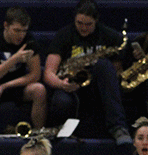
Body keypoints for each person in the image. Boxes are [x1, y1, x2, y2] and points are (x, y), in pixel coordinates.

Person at [43, 0, 130, 144]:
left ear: (96, 20)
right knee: (61, 101)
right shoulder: (64, 35)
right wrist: (61, 84)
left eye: (88, 24)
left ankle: (118, 127)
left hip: (97, 87)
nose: (83, 28)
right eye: (79, 23)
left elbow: (116, 71)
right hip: (69, 86)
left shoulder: (110, 36)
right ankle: (58, 135)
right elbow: (48, 73)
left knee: (104, 65)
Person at [0, 7, 46, 134]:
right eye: (17, 30)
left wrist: (5, 86)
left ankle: (38, 134)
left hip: (15, 85)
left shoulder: (29, 41)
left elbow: (35, 75)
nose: (21, 35)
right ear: (6, 26)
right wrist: (13, 59)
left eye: (24, 31)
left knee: (39, 90)